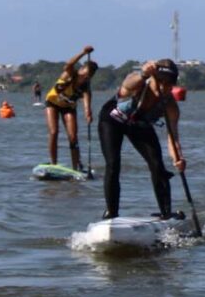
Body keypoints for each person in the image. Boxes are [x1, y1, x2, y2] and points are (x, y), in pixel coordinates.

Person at [98, 58, 185, 219]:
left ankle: (166, 214)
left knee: (158, 166)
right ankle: (111, 212)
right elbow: (126, 85)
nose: (163, 87)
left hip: (138, 124)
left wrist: (178, 158)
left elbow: (173, 137)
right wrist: (143, 74)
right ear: (153, 77)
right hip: (112, 120)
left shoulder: (170, 106)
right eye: (160, 81)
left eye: (169, 84)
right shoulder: (139, 83)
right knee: (113, 164)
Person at [45, 45, 97, 171]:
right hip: (53, 103)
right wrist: (83, 53)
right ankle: (53, 164)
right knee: (54, 132)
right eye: (86, 74)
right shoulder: (70, 73)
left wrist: (88, 114)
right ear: (82, 69)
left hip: (68, 107)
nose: (86, 77)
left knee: (73, 137)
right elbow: (69, 64)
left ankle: (76, 167)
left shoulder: (86, 87)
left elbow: (87, 104)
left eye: (89, 76)